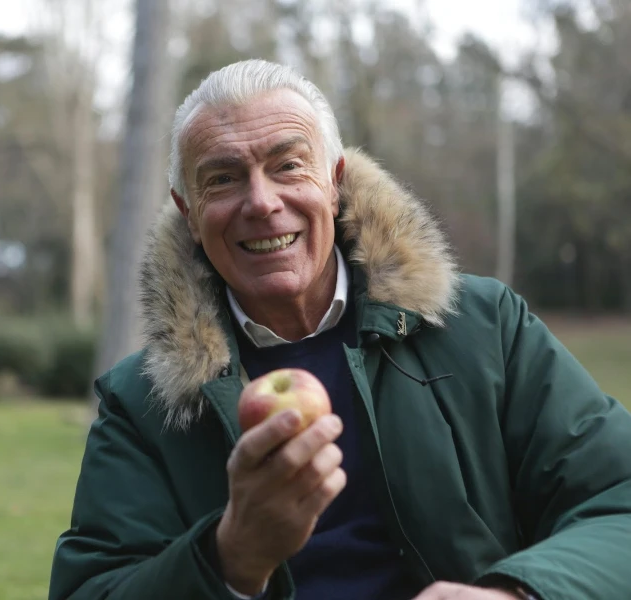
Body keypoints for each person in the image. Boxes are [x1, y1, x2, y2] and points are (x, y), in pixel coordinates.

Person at [48, 59, 631, 600]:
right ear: (189, 213)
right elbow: (90, 589)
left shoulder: (482, 329)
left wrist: (518, 592)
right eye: (222, 180)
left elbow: (618, 499)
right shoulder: (141, 404)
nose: (262, 201)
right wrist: (230, 555)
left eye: (288, 165)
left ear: (334, 179)